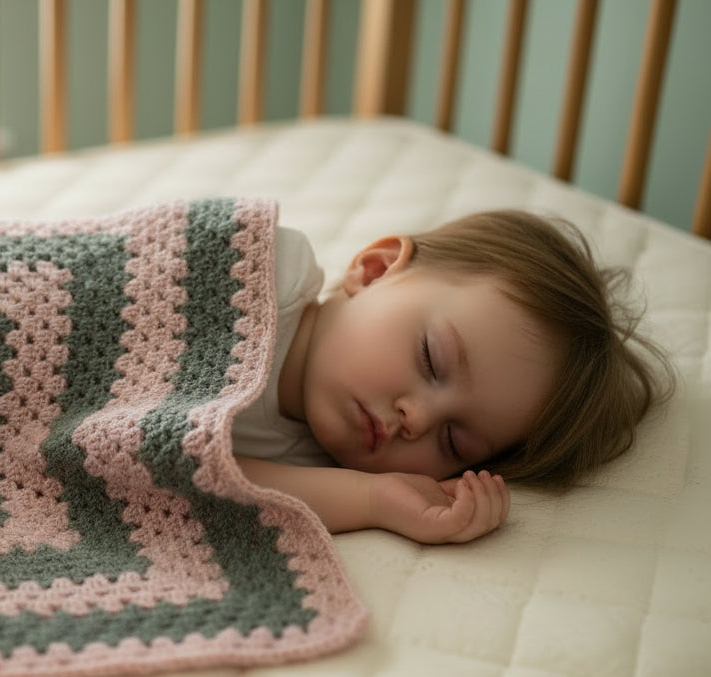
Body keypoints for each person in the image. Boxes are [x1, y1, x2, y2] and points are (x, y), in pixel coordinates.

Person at [234, 209, 675, 545]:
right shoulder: (263, 273)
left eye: (453, 442)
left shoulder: (314, 463)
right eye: (431, 359)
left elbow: (200, 483)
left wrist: (375, 498)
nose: (417, 420)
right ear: (375, 270)